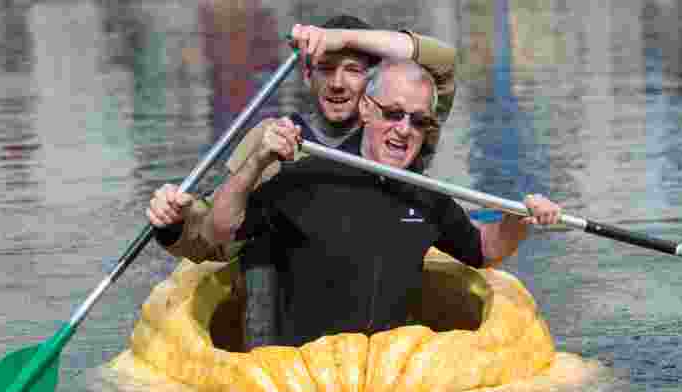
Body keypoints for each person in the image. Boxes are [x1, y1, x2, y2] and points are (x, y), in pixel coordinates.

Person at [147, 59, 561, 347]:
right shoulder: (304, 179)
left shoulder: (428, 196)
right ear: (365, 108)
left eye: (418, 120)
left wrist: (519, 219)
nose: (404, 129)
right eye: (394, 113)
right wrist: (257, 162)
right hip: (308, 383)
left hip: (387, 384)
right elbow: (221, 229)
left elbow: (485, 248)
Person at [147, 16, 458, 261]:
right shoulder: (273, 137)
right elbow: (212, 242)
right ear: (307, 75)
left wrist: (342, 38)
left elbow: (442, 63)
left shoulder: (402, 131)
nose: (338, 83)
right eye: (326, 68)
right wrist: (174, 222)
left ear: (374, 78)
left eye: (353, 70)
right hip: (289, 310)